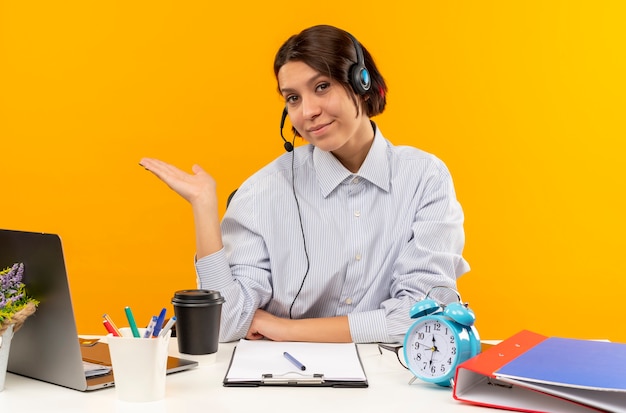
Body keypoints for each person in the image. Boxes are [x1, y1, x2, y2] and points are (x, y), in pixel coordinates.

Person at [139, 24, 469, 344]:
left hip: (389, 379)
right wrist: (204, 209)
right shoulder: (263, 191)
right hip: (278, 379)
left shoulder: (426, 178)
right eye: (293, 98)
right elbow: (226, 323)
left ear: (361, 82)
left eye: (322, 86)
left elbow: (423, 316)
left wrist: (285, 329)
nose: (308, 111)